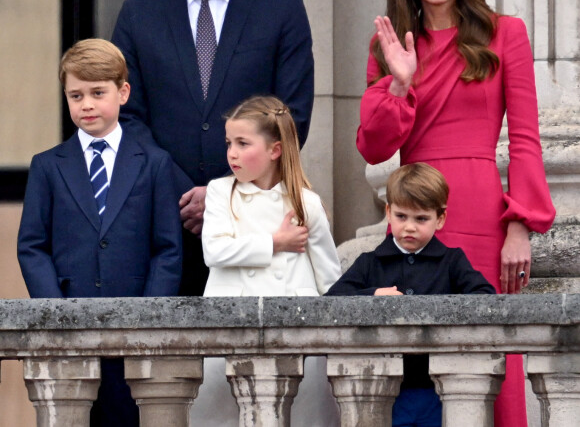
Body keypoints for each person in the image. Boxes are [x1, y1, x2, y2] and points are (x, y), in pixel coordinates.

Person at [356, 0, 556, 426]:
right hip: (417, 216)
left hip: (483, 214)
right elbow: (374, 148)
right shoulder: (390, 46)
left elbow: (527, 138)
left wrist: (520, 224)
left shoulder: (505, 33)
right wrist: (400, 82)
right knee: (420, 356)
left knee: (494, 350)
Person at [111, 0, 315, 297]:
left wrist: (223, 193)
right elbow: (125, 116)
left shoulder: (282, 9)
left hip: (255, 226)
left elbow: (291, 115)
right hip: (163, 227)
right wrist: (183, 193)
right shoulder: (138, 15)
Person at [17, 39, 182, 427]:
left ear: (123, 92)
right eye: (76, 95)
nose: (86, 104)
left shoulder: (155, 163)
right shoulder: (47, 166)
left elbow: (168, 248)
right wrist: (54, 310)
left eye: (97, 93)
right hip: (69, 326)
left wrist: (150, 313)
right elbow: (32, 246)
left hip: (135, 327)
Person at [192, 95, 341, 426]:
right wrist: (276, 242)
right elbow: (214, 251)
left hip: (296, 337)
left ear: (274, 150)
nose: (232, 152)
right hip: (229, 332)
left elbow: (330, 280)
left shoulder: (306, 203)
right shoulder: (220, 193)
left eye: (243, 143)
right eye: (229, 142)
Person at [326, 163, 496, 427]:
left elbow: (485, 297)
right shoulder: (370, 262)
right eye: (401, 216)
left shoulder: (452, 262)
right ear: (388, 212)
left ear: (440, 218)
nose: (409, 227)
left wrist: (440, 309)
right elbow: (332, 301)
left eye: (421, 219)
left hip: (438, 387)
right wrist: (373, 295)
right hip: (384, 389)